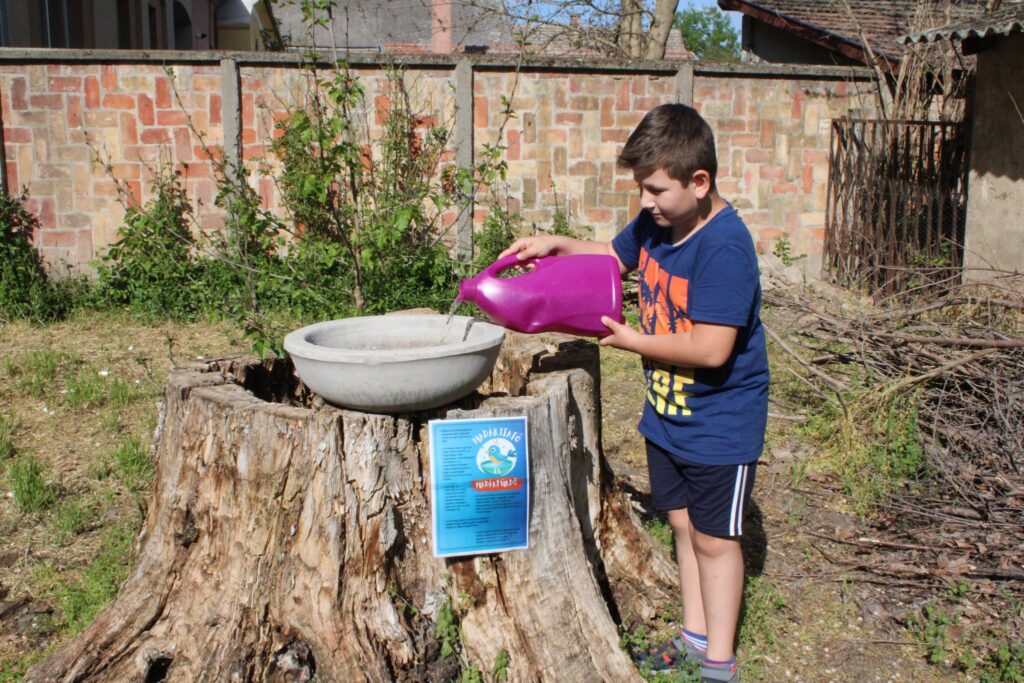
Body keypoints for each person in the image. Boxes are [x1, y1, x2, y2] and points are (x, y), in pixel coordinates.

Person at [499, 103, 769, 683]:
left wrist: (631, 341)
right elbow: (611, 257)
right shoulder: (658, 224)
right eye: (641, 188)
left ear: (700, 182)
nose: (645, 201)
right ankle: (694, 639)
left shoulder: (723, 248)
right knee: (683, 526)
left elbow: (711, 349)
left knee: (716, 541)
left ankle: (719, 665)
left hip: (720, 424)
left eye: (655, 189)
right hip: (668, 414)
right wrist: (555, 244)